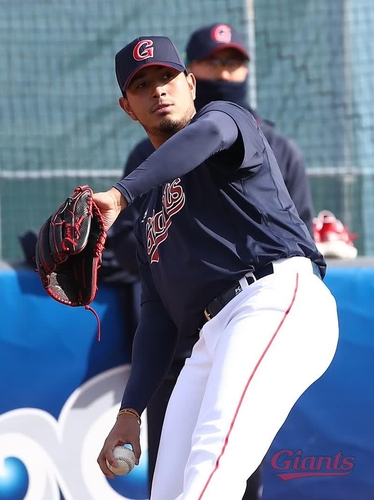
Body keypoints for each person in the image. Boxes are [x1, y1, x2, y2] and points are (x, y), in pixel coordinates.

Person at [95, 35, 339, 500]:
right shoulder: (148, 206)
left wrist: (119, 195)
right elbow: (157, 313)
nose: (159, 90)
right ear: (128, 107)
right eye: (142, 85)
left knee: (213, 465)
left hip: (274, 299)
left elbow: (207, 138)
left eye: (167, 77)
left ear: (190, 83)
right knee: (170, 488)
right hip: (211, 334)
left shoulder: (226, 121)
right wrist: (130, 413)